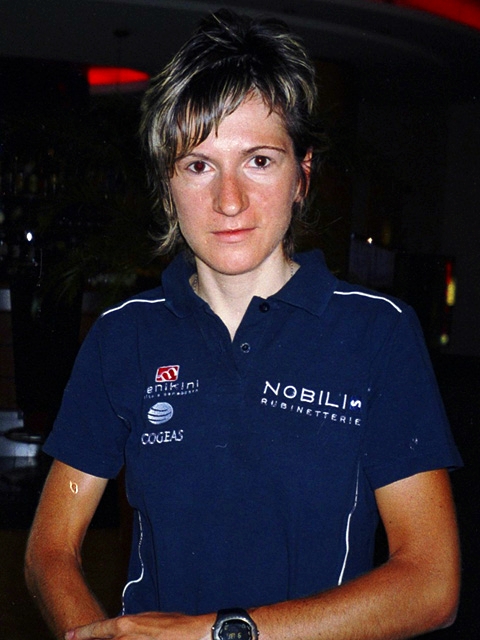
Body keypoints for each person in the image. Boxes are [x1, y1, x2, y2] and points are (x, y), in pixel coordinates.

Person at [25, 9, 462, 640]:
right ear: (167, 185)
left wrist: (218, 633)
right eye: (198, 165)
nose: (228, 201)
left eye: (259, 160)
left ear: (302, 174)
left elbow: (431, 582)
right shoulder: (123, 336)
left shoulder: (378, 333)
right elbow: (49, 551)